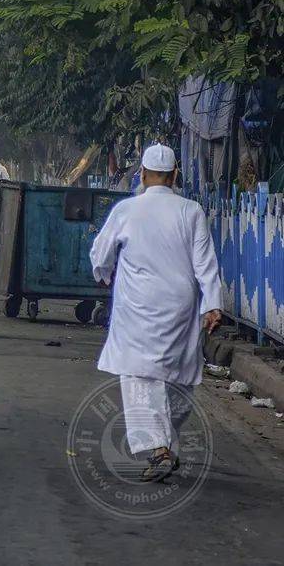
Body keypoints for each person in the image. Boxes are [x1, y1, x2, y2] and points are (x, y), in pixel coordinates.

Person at [89, 143, 222, 482]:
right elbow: (205, 263)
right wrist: (213, 305)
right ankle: (165, 441)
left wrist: (104, 275)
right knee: (176, 374)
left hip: (138, 306)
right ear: (175, 175)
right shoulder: (191, 210)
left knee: (137, 375)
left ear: (144, 175)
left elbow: (101, 253)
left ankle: (160, 449)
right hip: (180, 305)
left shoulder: (126, 209)